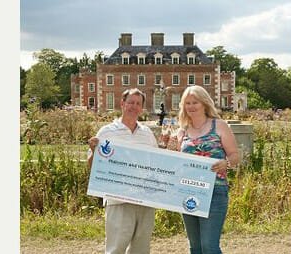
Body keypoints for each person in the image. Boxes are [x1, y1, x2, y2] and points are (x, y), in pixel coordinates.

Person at [87, 88, 159, 254]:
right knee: (116, 249)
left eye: (138, 103)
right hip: (118, 199)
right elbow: (92, 166)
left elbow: (155, 164)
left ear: (142, 108)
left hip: (145, 199)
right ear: (122, 104)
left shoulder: (147, 134)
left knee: (141, 249)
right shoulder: (106, 132)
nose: (134, 107)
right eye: (130, 103)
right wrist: (94, 151)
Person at [175, 85, 240, 254]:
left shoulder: (219, 126)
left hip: (215, 191)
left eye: (195, 102)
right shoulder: (182, 131)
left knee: (209, 247)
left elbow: (235, 155)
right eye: (187, 103)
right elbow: (176, 161)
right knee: (195, 247)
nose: (191, 106)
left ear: (204, 103)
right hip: (188, 191)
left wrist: (226, 163)